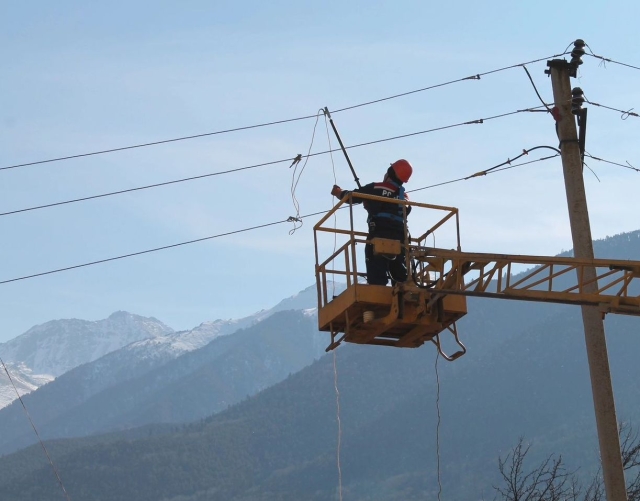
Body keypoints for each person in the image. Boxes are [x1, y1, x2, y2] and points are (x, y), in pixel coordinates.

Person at [331, 159, 413, 286]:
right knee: (398, 270)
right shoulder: (405, 197)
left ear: (390, 173)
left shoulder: (377, 187)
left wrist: (338, 192)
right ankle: (402, 288)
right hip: (401, 238)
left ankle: (377, 287)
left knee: (376, 266)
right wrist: (372, 206)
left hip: (379, 235)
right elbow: (398, 212)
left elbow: (352, 196)